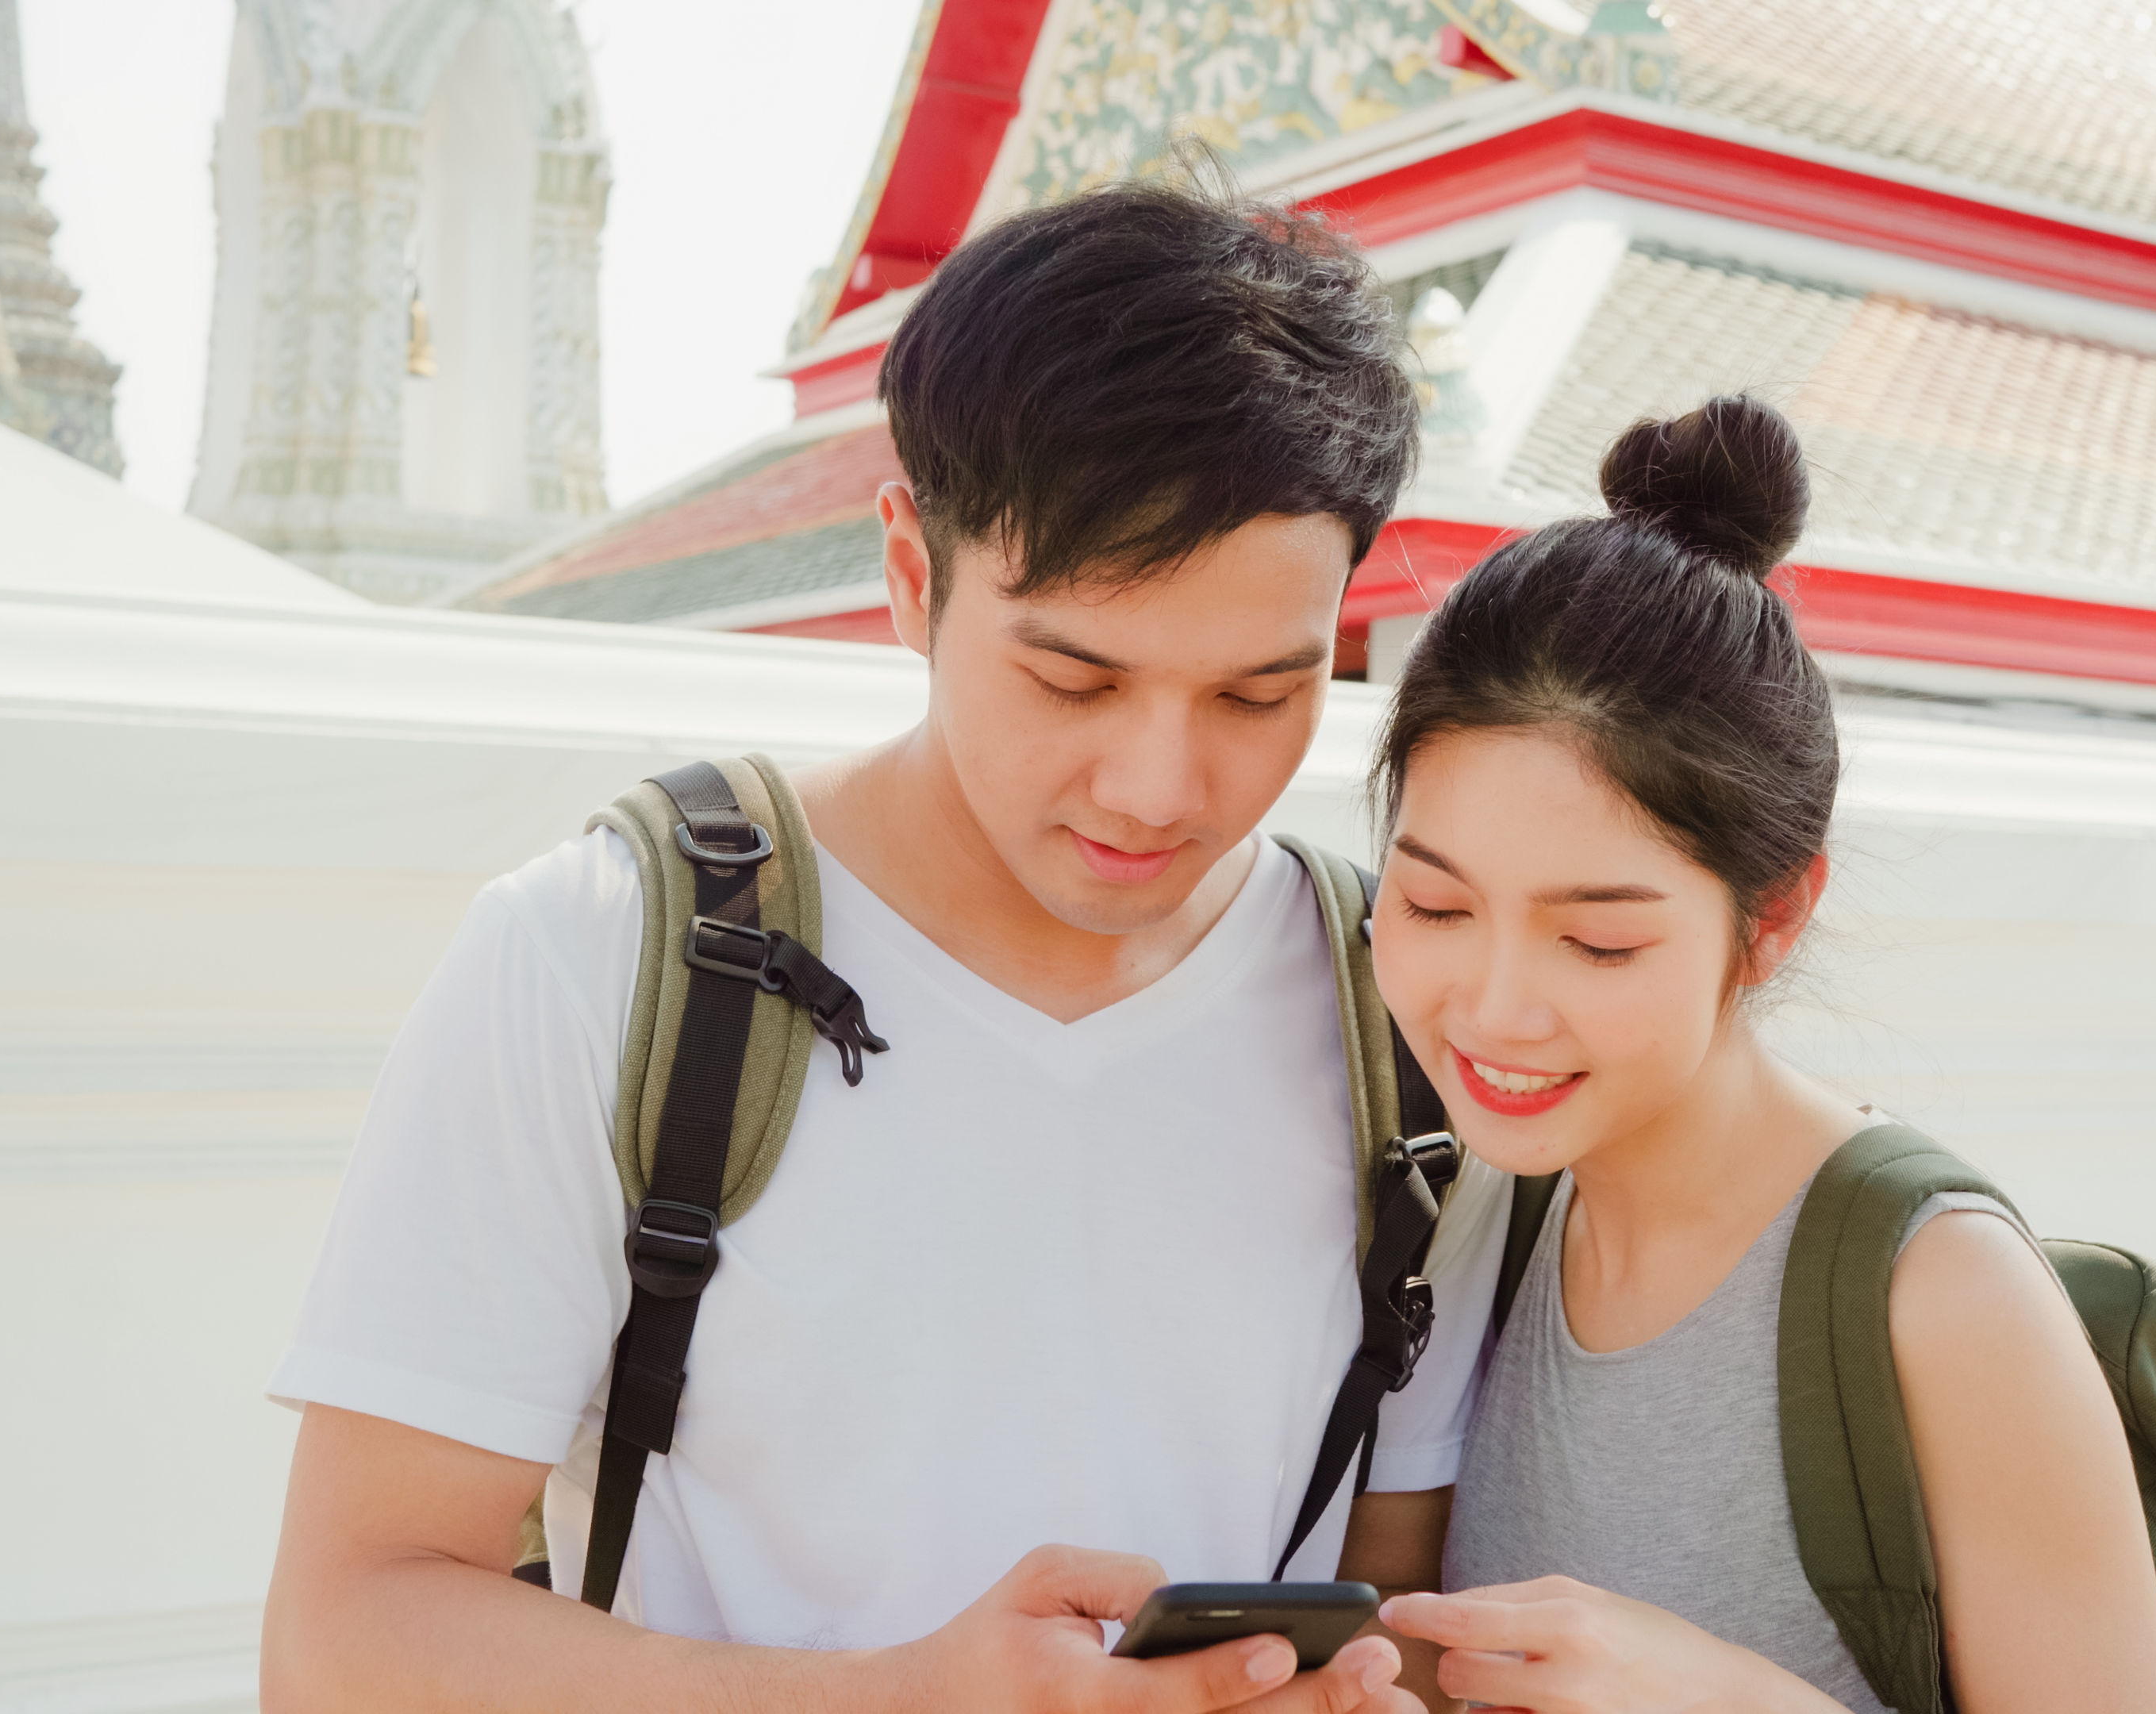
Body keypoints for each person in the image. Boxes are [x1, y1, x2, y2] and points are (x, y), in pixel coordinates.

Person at [258, 179, 1508, 1714]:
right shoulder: (601, 958)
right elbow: (344, 1640)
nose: (1161, 788)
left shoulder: (1408, 1013)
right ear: (913, 578)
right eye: (1073, 678)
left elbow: (1410, 1610)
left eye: (1261, 695)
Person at [1358, 398, 2156, 1712]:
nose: (1496, 1012)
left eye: (1600, 943)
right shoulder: (1489, 1208)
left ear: (1775, 917)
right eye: (1437, 908)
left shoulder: (1942, 1296)